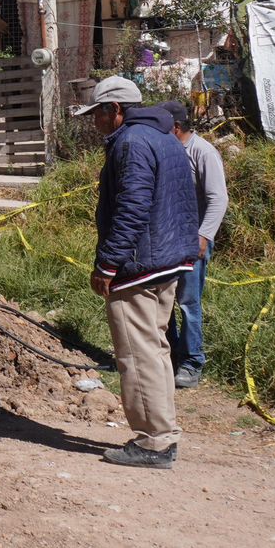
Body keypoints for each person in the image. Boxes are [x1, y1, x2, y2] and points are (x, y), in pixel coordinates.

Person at [75, 76, 200, 469]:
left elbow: (132, 207)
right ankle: (164, 432)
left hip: (139, 264)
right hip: (168, 260)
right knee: (156, 349)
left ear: (115, 110)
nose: (94, 121)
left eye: (97, 114)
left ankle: (153, 443)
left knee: (137, 354)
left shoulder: (130, 142)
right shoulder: (166, 137)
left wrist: (108, 263)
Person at [158, 99, 229, 388]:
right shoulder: (168, 150)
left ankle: (191, 362)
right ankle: (171, 353)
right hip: (168, 240)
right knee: (164, 299)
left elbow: (218, 198)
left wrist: (203, 236)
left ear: (176, 127)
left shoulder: (203, 152)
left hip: (193, 241)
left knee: (188, 302)